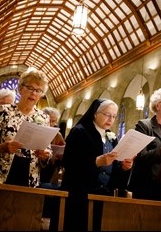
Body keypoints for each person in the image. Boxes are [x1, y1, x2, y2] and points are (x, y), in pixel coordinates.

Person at [60, 98, 134, 231]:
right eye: (107, 115)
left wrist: (123, 167)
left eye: (114, 116)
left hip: (105, 194)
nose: (111, 119)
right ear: (95, 113)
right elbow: (69, 162)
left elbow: (114, 167)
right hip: (81, 193)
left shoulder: (112, 138)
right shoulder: (80, 132)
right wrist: (96, 162)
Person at [0, 67, 52, 187]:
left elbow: (47, 148)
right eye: (30, 88)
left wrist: (45, 155)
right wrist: (2, 147)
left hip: (29, 176)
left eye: (38, 90)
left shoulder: (44, 117)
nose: (33, 93)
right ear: (20, 89)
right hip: (0, 173)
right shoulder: (4, 111)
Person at [40, 107, 66, 189]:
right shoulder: (38, 130)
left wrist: (60, 155)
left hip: (50, 168)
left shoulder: (57, 135)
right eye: (49, 120)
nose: (50, 123)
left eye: (53, 121)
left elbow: (63, 150)